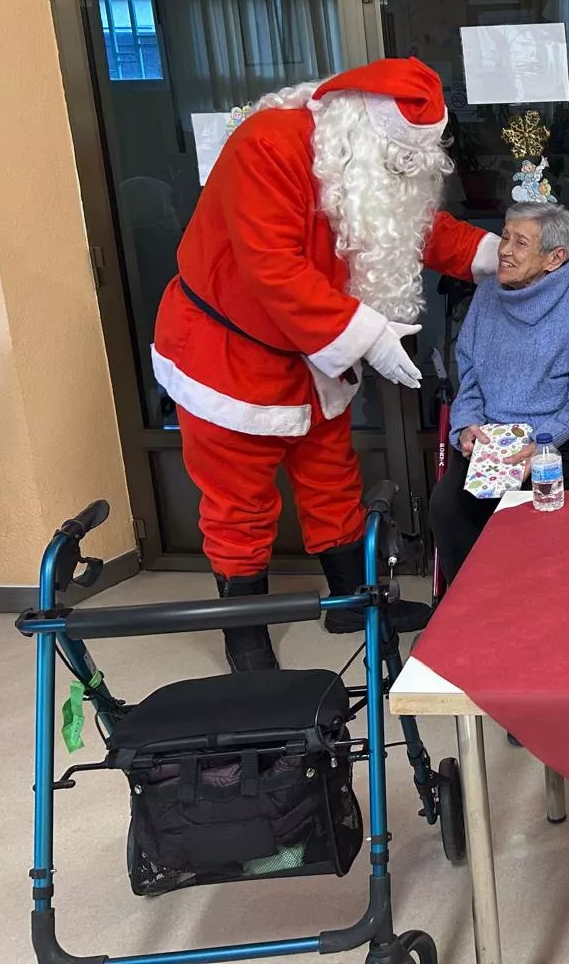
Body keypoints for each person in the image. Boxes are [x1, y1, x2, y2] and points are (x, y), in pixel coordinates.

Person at [151, 58, 499, 672]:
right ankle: (246, 635)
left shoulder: (367, 159)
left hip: (310, 355)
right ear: (363, 128)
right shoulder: (265, 146)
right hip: (228, 354)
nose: (406, 171)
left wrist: (500, 254)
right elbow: (272, 269)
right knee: (239, 502)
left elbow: (416, 229)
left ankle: (350, 604)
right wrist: (367, 333)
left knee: (331, 478)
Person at [429, 203, 569, 586]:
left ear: (554, 258)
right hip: (495, 437)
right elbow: (470, 374)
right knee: (448, 507)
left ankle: (549, 602)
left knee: (541, 501)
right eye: (506, 235)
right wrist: (466, 426)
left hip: (565, 434)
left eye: (520, 242)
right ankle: (469, 608)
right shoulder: (487, 296)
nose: (505, 249)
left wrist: (546, 440)